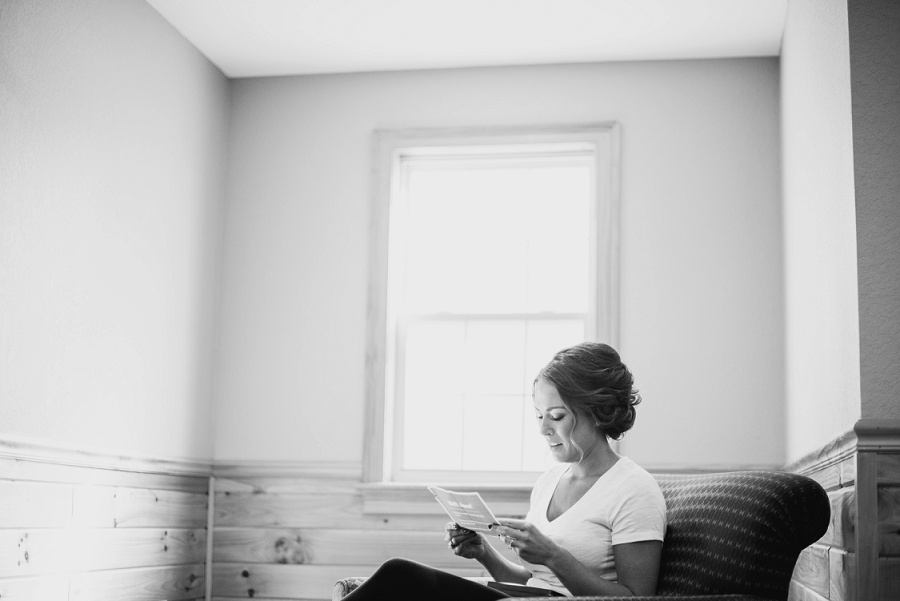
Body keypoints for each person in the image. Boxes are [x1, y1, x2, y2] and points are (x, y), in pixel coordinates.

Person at [343, 342, 666, 600]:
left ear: (598, 413)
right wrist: (484, 553)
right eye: (539, 415)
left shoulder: (634, 489)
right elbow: (534, 581)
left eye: (556, 416)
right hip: (526, 596)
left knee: (403, 575)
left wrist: (554, 555)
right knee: (402, 581)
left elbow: (636, 597)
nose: (543, 430)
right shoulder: (550, 481)